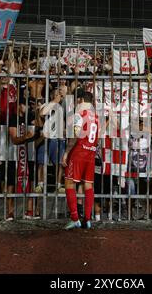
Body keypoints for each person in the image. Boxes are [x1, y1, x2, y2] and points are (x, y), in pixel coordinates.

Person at [62, 91, 98, 229]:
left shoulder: (80, 114)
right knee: (88, 185)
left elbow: (76, 135)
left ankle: (75, 218)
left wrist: (66, 152)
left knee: (69, 183)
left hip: (79, 152)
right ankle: (87, 219)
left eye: (78, 100)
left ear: (82, 99)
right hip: (91, 154)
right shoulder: (96, 117)